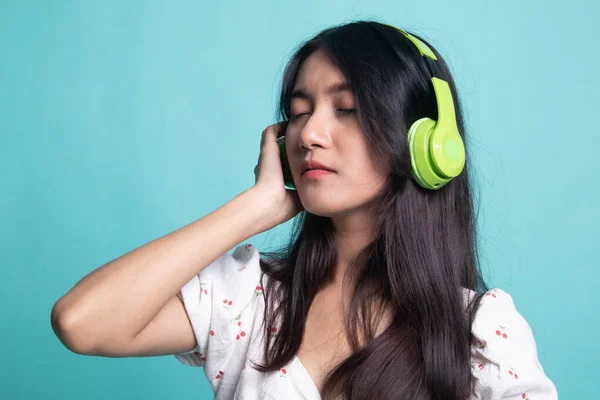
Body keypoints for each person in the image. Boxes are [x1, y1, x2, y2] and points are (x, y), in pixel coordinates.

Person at [51, 20, 558, 400]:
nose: (310, 134)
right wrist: (257, 206)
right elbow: (82, 322)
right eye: (297, 113)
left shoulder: (479, 333)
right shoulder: (250, 298)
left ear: (426, 143)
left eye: (346, 109)